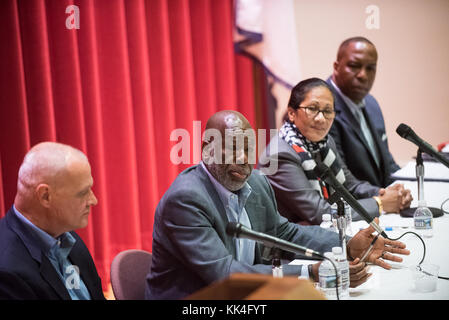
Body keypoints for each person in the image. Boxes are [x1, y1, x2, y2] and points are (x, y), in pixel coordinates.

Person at [145, 110, 410, 300]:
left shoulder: (257, 183)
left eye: (248, 149)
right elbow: (225, 273)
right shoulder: (186, 200)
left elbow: (285, 233)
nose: (242, 158)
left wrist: (346, 243)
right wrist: (312, 271)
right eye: (232, 148)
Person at [259, 78, 412, 226]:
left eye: (328, 111)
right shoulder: (278, 155)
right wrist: (380, 203)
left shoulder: (325, 142)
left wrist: (385, 193)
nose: (321, 119)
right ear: (292, 113)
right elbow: (320, 213)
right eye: (312, 109)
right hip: (289, 246)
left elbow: (350, 186)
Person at [0, 142, 105, 300]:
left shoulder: (66, 236)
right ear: (45, 196)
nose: (94, 200)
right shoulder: (7, 272)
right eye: (83, 193)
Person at [328, 37, 412, 206]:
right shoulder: (323, 108)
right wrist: (383, 195)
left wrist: (401, 188)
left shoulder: (371, 103)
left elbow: (386, 163)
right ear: (336, 67)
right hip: (353, 209)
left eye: (370, 68)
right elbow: (340, 177)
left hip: (383, 203)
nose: (363, 75)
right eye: (354, 66)